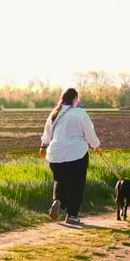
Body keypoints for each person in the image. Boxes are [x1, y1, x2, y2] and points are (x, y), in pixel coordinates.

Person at [39, 87, 101, 226]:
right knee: (76, 184)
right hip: (76, 155)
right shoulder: (80, 113)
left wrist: (43, 147)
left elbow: (47, 133)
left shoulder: (54, 113)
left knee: (59, 180)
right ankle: (72, 215)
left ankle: (57, 201)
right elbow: (89, 132)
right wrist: (95, 146)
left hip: (55, 155)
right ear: (75, 99)